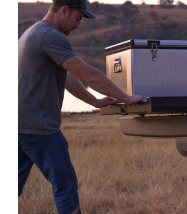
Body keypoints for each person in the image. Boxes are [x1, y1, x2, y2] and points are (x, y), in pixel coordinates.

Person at [18, 0, 143, 213]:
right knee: (65, 185)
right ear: (64, 10)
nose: (78, 25)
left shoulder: (31, 33)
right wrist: (127, 97)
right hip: (40, 129)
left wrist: (95, 102)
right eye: (78, 18)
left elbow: (68, 78)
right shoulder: (50, 36)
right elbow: (89, 75)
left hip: (19, 126)